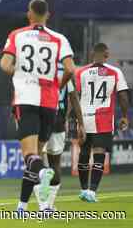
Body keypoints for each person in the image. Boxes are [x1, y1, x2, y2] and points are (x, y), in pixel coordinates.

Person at [0, 0, 84, 212]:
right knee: (36, 154)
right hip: (49, 103)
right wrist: (57, 85)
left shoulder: (17, 35)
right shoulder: (59, 39)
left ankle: (42, 176)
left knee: (30, 157)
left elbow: (5, 65)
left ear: (29, 13)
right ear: (48, 15)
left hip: (26, 99)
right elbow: (71, 69)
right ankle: (24, 206)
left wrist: (21, 73)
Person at [76, 43, 129, 202]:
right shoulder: (115, 72)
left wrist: (71, 119)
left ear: (92, 54)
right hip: (103, 119)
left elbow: (75, 96)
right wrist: (125, 115)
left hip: (84, 118)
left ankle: (84, 189)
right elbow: (123, 95)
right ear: (107, 55)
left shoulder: (81, 72)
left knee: (84, 154)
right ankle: (92, 191)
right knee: (99, 154)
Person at [34, 64, 85, 210]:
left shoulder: (39, 70)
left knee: (35, 160)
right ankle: (49, 205)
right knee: (55, 163)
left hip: (39, 121)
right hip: (58, 122)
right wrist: (80, 123)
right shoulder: (65, 72)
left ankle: (43, 206)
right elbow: (74, 98)